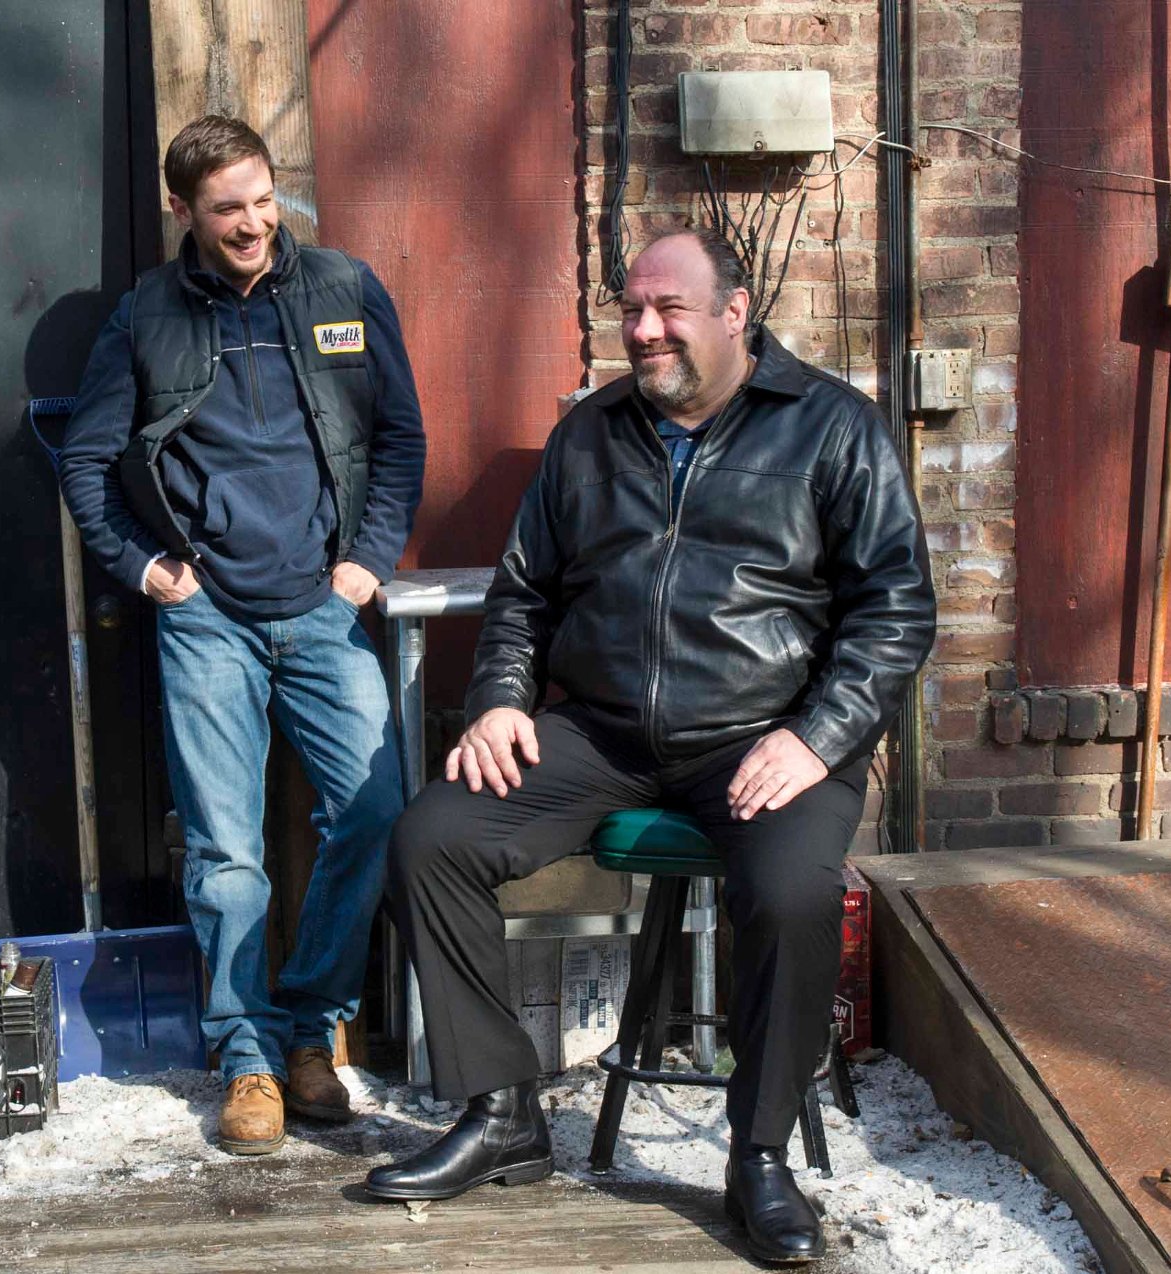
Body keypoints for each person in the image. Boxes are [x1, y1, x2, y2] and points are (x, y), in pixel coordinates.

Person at [366, 225, 934, 1263]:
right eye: (631, 309)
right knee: (430, 837)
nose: (644, 328)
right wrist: (499, 698)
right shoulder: (589, 435)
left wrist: (819, 735)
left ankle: (757, 1153)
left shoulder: (832, 428)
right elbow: (525, 590)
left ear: (735, 309)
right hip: (603, 732)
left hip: (765, 737)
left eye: (668, 308)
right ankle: (502, 1111)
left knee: (794, 891)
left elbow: (895, 610)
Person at [57, 115, 424, 1156]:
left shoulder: (345, 291)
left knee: (374, 808)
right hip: (208, 616)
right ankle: (250, 1058)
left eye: (263, 199)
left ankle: (313, 1030)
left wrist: (371, 556)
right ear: (184, 211)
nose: (254, 221)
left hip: (320, 605)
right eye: (229, 208)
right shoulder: (145, 318)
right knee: (227, 854)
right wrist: (146, 568)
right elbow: (85, 465)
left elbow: (400, 435)